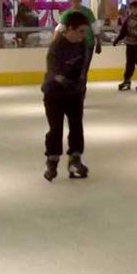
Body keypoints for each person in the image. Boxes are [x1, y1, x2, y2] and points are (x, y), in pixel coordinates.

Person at [42, 12, 91, 182]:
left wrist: (78, 86)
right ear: (70, 29)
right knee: (56, 128)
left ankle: (75, 160)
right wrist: (66, 81)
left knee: (76, 126)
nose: (83, 36)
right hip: (54, 94)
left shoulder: (82, 44)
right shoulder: (56, 47)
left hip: (74, 93)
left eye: (85, 32)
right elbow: (55, 73)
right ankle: (52, 160)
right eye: (81, 31)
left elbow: (82, 69)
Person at [54, 0, 101, 88]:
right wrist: (55, 44)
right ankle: (74, 91)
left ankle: (81, 92)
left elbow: (95, 28)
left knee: (83, 70)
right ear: (70, 1)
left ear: (80, 1)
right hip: (72, 46)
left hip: (87, 44)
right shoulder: (67, 14)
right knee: (73, 70)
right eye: (74, 1)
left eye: (78, 1)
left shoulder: (87, 12)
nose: (76, 3)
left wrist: (99, 43)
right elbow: (59, 29)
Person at [113, 1, 137, 92]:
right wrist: (117, 39)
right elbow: (123, 32)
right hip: (130, 45)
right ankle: (127, 81)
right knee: (129, 63)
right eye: (131, 8)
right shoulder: (128, 19)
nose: (133, 10)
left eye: (135, 8)